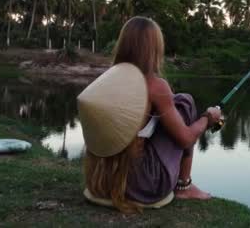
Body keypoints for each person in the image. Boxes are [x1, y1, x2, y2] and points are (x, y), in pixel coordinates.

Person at [82, 16, 222, 213]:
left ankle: (183, 185)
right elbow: (185, 138)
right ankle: (184, 185)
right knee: (185, 102)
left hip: (102, 180)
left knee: (172, 107)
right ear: (153, 49)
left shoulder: (107, 80)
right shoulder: (155, 85)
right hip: (141, 185)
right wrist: (208, 118)